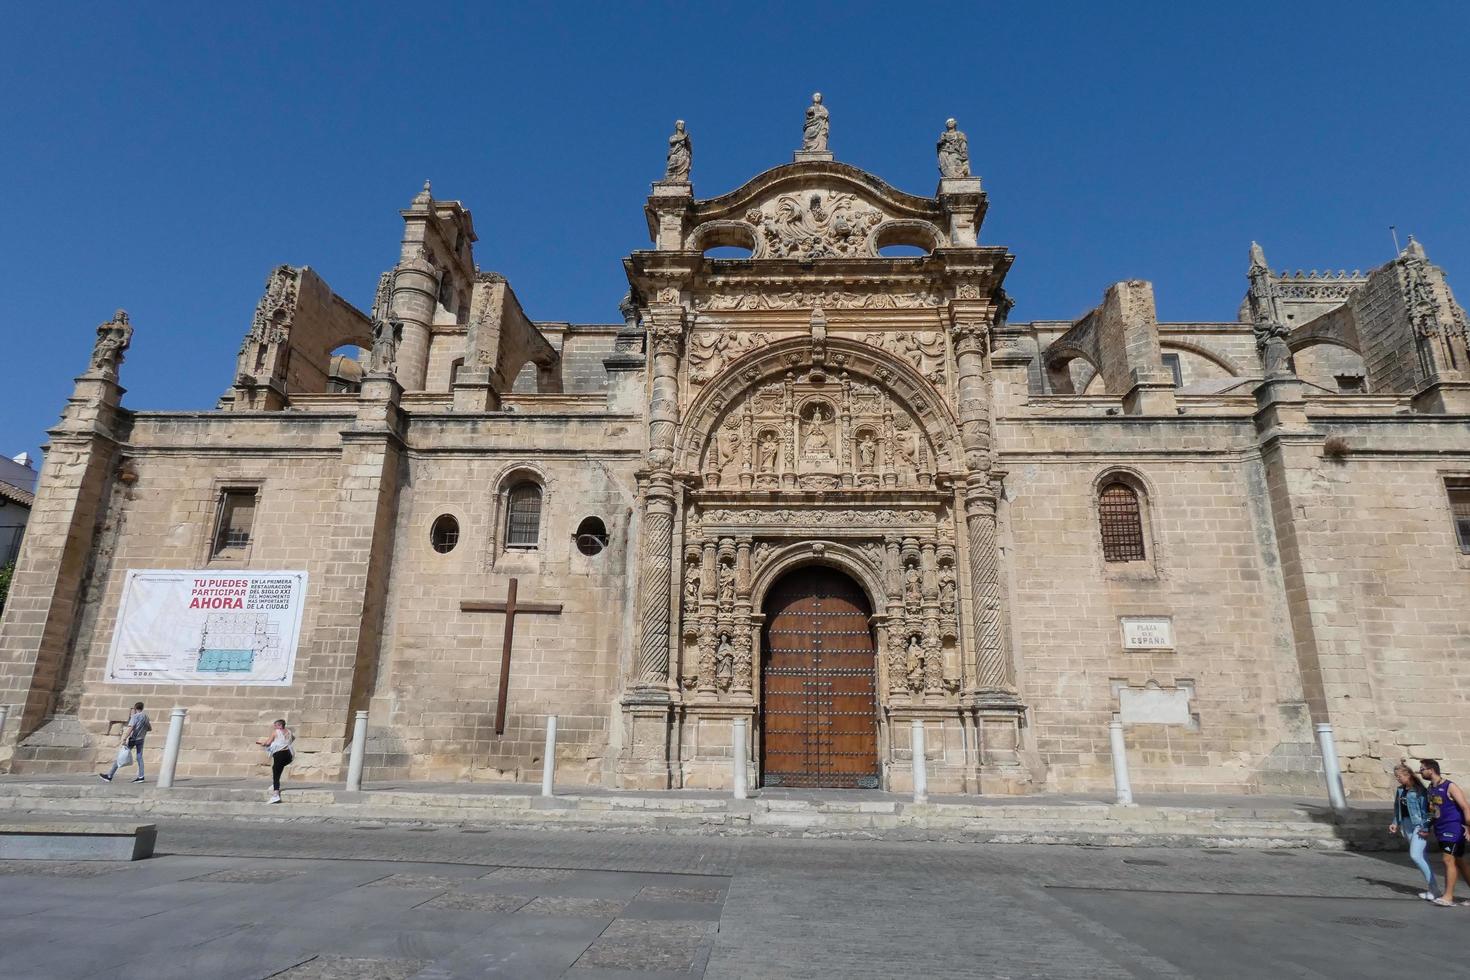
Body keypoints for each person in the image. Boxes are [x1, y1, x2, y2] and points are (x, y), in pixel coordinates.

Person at [1418, 758, 1470, 906]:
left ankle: (1448, 897)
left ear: (1431, 770)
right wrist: (1427, 827)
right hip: (1441, 828)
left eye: (1422, 769)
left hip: (1453, 828)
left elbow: (1466, 807)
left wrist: (1468, 826)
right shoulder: (1431, 788)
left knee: (1448, 860)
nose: (1420, 772)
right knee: (1459, 862)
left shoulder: (1450, 786)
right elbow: (1432, 810)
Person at [1388, 761, 1438, 900]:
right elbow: (1398, 808)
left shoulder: (1420, 791)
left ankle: (1434, 889)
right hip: (1406, 825)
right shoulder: (1400, 790)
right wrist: (1395, 823)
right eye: (1396, 776)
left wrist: (1426, 827)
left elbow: (1427, 811)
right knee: (1422, 857)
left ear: (1408, 774)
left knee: (1415, 855)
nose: (1397, 778)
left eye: (1399, 776)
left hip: (1418, 825)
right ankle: (1433, 889)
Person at [99, 702, 151, 783]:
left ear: (135, 708)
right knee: (139, 757)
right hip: (141, 739)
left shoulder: (135, 716)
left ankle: (109, 776)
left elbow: (131, 728)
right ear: (142, 708)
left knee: (121, 755)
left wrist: (124, 738)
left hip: (133, 739)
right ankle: (141, 776)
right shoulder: (146, 717)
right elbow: (149, 728)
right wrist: (141, 729)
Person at [256, 718, 295, 804]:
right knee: (278, 768)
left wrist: (263, 744)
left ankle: (275, 794)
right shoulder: (289, 732)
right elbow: (293, 739)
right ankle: (275, 785)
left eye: (276, 726)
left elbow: (268, 743)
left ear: (280, 725)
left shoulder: (275, 732)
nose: (275, 727)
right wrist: (284, 743)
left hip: (280, 754)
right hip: (289, 755)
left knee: (276, 772)